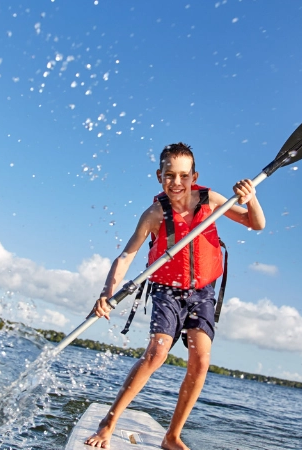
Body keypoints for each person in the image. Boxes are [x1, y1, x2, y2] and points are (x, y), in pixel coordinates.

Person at [85, 142, 266, 450]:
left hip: (201, 292)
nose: (177, 183)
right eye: (170, 175)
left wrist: (252, 199)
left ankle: (172, 436)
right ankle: (109, 422)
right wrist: (106, 294)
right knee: (157, 353)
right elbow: (126, 257)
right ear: (159, 176)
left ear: (194, 176)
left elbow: (256, 223)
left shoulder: (212, 200)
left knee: (201, 359)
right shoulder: (154, 214)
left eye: (184, 175)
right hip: (167, 291)